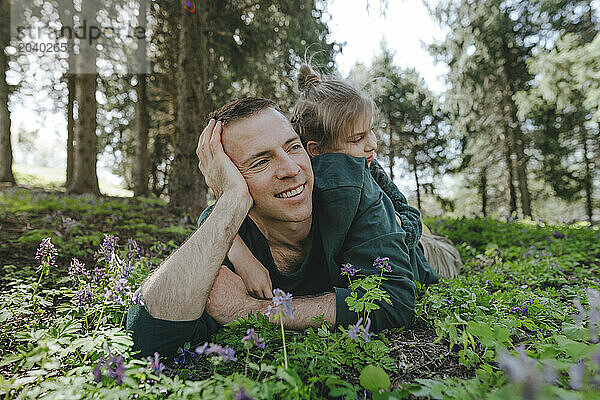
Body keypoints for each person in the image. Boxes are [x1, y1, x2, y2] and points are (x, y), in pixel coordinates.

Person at [126, 97, 437, 358]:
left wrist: (249, 309)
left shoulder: (348, 182)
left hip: (418, 255)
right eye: (260, 162)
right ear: (229, 179)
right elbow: (148, 336)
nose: (291, 169)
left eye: (294, 147)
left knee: (438, 250)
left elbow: (392, 302)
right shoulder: (229, 233)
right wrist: (231, 200)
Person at [224, 64, 456, 299]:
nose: (373, 144)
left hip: (417, 252)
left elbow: (410, 215)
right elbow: (215, 214)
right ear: (316, 150)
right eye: (358, 138)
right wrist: (240, 255)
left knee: (447, 258)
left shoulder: (371, 169)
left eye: (371, 131)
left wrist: (387, 224)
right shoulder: (297, 178)